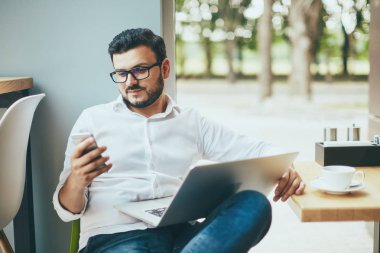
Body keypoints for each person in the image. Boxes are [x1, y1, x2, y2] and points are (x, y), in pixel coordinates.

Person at [53, 28, 305, 253]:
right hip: (116, 239)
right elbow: (66, 210)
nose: (129, 82)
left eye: (139, 70)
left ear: (164, 68)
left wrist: (285, 167)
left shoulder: (191, 122)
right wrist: (77, 179)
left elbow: (255, 150)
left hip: (183, 236)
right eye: (121, 73)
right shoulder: (92, 120)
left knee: (254, 204)